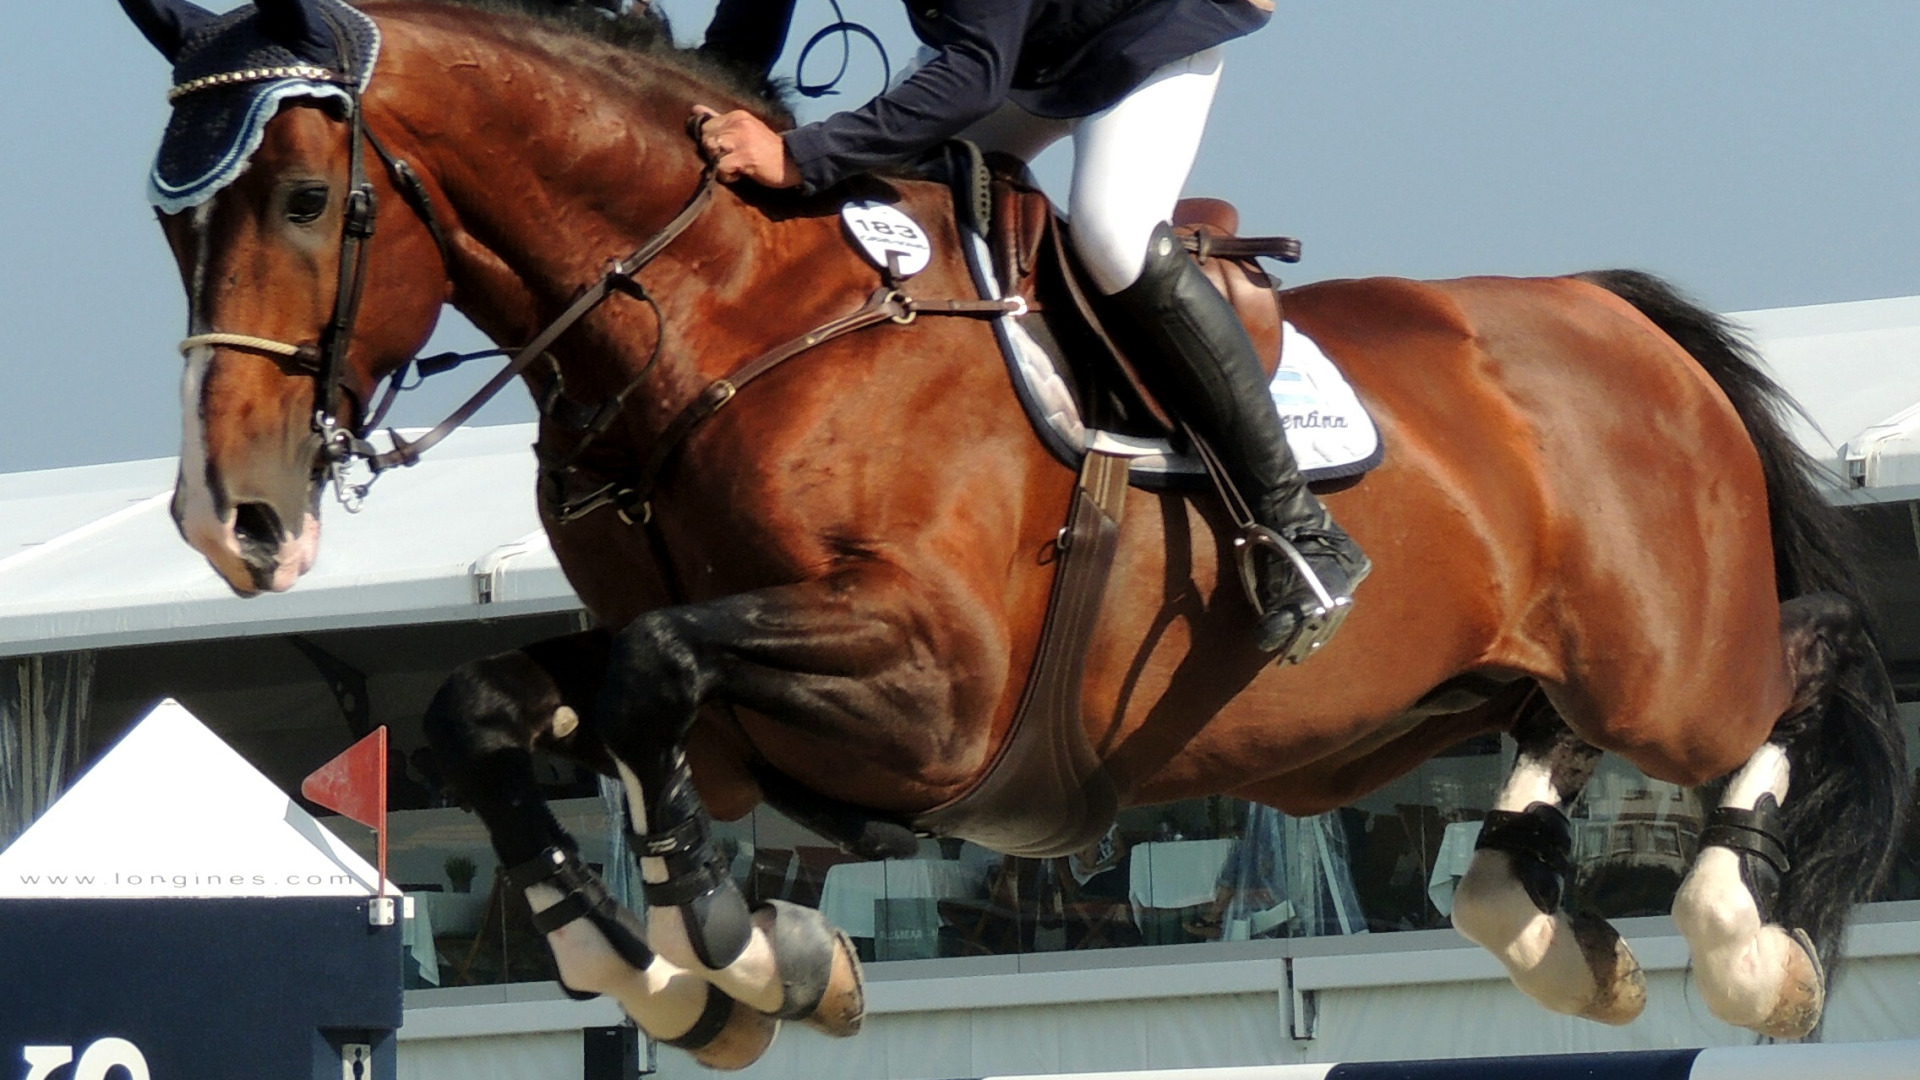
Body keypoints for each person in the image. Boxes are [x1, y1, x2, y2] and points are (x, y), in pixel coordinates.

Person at [691, 0, 1368, 657]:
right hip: (1017, 43)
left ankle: (1301, 526)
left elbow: (974, 74)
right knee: (881, 198)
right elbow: (749, 25)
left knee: (1113, 235)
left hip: (1144, 27)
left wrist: (801, 156)